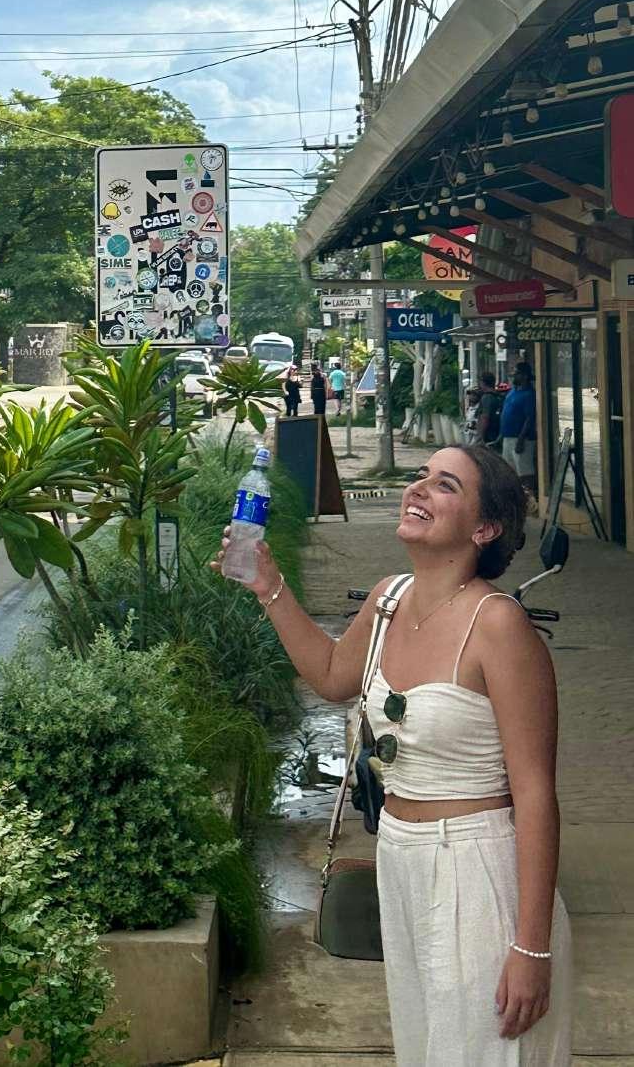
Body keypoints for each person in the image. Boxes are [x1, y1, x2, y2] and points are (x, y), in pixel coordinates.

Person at [212, 445, 571, 1066]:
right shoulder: (388, 599)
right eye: (420, 476)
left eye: (446, 485)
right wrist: (269, 587)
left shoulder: (499, 626)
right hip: (400, 862)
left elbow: (536, 793)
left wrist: (531, 946)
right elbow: (332, 675)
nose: (419, 488)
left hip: (479, 875)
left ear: (485, 529)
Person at [500, 362, 537, 486]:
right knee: (509, 471)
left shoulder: (529, 394)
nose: (513, 376)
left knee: (524, 471)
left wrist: (521, 439)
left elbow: (529, 418)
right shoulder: (513, 391)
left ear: (524, 376)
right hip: (508, 437)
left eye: (516, 374)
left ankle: (529, 494)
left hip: (521, 439)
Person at [477, 370, 504, 448]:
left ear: (483, 383)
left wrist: (480, 437)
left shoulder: (486, 397)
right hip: (498, 435)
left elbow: (485, 418)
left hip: (488, 436)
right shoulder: (499, 397)